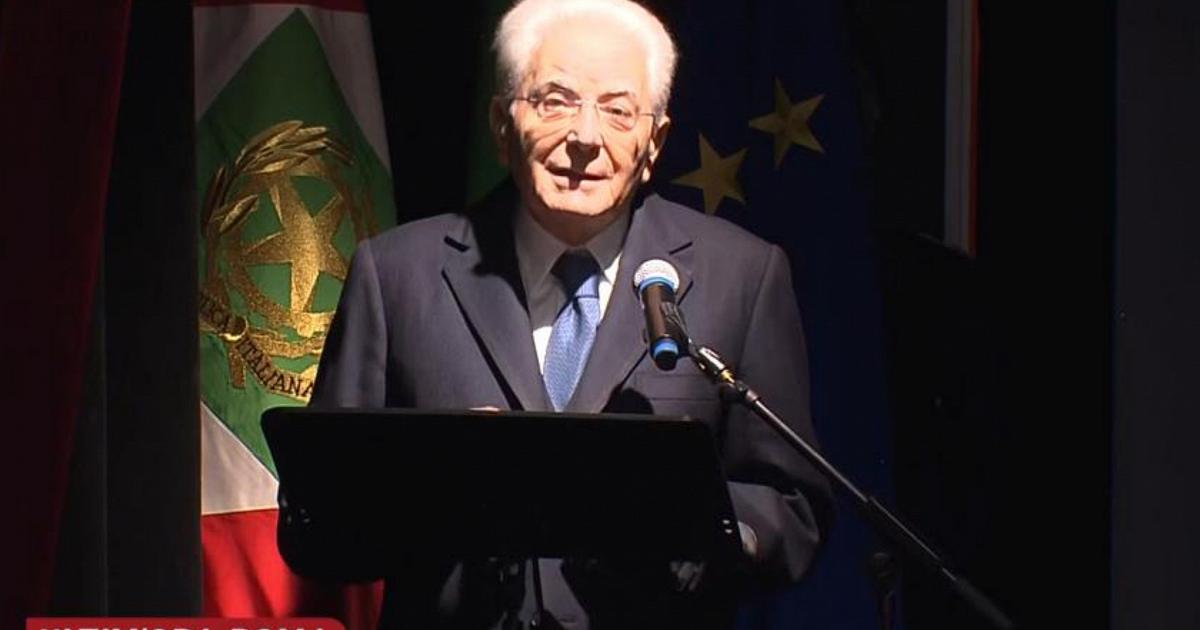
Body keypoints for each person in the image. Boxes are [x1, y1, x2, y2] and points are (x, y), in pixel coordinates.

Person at [301, 0, 832, 627]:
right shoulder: (396, 275)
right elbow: (315, 525)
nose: (585, 136)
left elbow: (791, 507)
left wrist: (690, 527)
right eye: (555, 101)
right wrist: (437, 485)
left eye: (618, 110)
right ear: (502, 124)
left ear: (655, 142)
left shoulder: (741, 276)